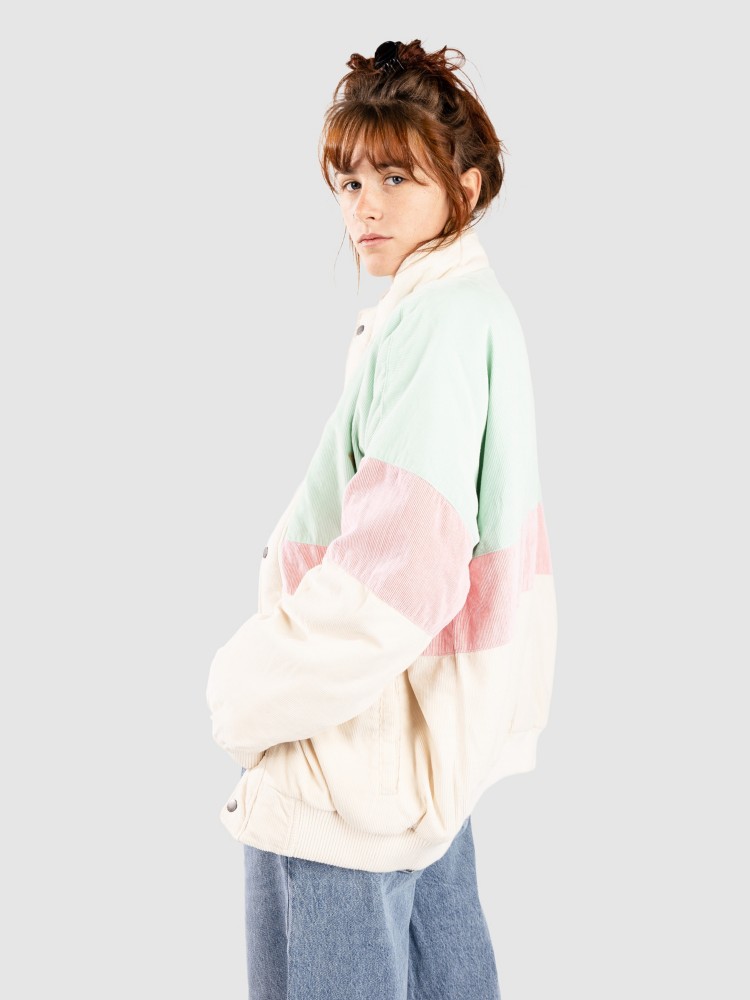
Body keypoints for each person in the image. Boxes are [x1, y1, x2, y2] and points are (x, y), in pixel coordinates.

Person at [206, 38, 558, 999]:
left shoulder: (436, 325)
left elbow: (399, 575)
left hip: (351, 760)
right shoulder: (461, 308)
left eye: (397, 178)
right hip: (411, 752)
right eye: (350, 180)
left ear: (466, 189)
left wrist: (244, 688)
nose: (364, 206)